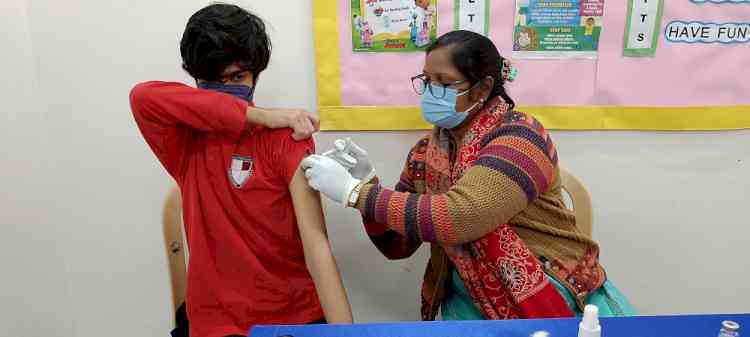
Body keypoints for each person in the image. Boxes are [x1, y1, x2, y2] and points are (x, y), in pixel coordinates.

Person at [302, 30, 635, 321]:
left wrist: (355, 193)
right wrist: (367, 182)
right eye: (426, 81)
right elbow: (397, 245)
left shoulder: (520, 136)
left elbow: (461, 216)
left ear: (482, 88)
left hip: (553, 287)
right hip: (467, 295)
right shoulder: (426, 154)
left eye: (445, 83)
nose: (432, 91)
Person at [129, 4, 352, 336]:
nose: (228, 88)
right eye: (213, 80)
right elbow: (143, 96)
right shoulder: (184, 140)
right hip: (215, 324)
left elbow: (315, 242)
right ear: (194, 77)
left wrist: (345, 333)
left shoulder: (287, 138)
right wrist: (259, 115)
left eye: (237, 77)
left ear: (255, 74)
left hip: (292, 317)